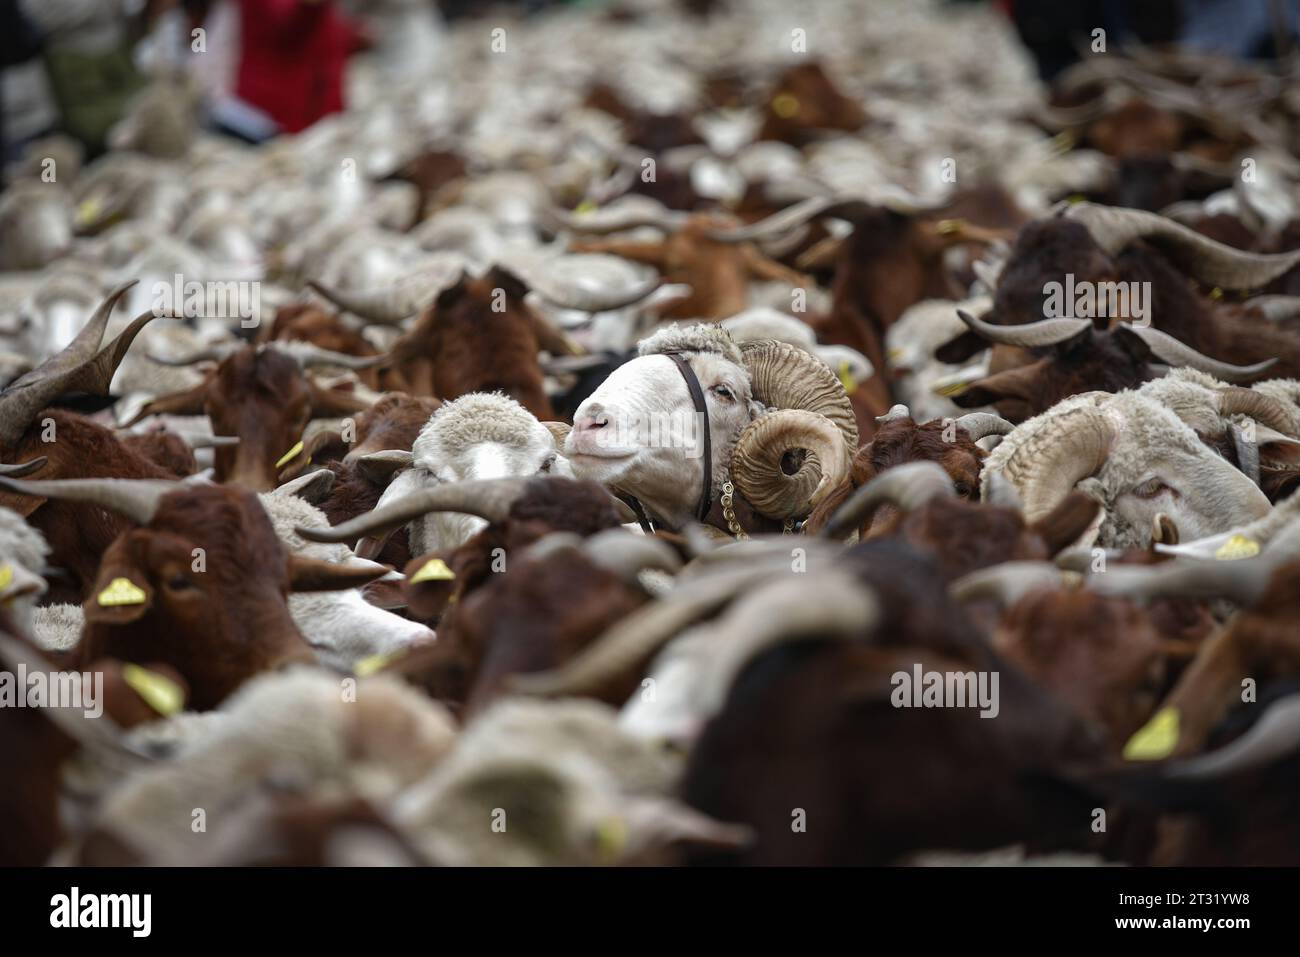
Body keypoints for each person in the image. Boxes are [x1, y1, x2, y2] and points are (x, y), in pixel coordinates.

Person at [231, 0, 364, 137]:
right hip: (268, 120)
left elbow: (323, 35)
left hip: (312, 120)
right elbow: (285, 25)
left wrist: (354, 36)